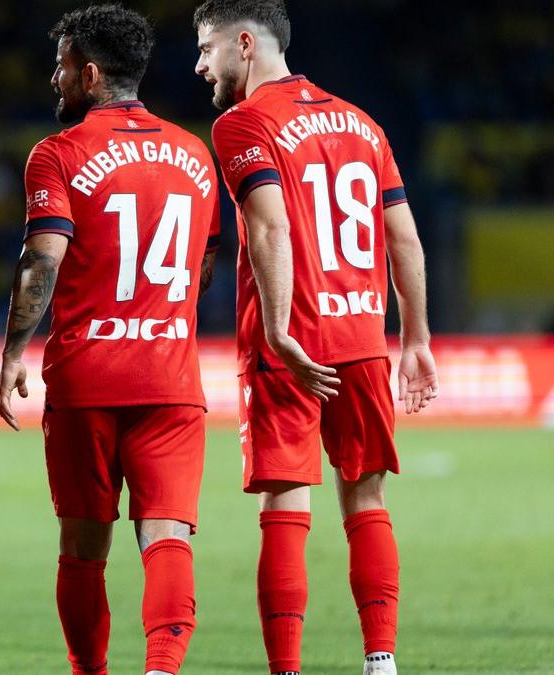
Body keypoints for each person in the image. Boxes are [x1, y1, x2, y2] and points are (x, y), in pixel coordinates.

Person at [193, 1, 439, 674]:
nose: (199, 65)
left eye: (207, 48)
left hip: (290, 345)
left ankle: (288, 669)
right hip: (362, 335)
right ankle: (381, 661)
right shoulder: (362, 121)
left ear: (245, 43)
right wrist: (414, 335)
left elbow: (270, 228)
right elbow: (405, 239)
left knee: (284, 501)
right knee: (366, 496)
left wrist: (278, 328)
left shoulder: (242, 123)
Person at [0, 6, 219, 674]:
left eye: (62, 65)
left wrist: (12, 350)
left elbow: (42, 258)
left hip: (88, 378)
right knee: (168, 535)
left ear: (89, 73)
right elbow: (203, 265)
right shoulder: (194, 153)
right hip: (169, 380)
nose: (54, 78)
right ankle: (161, 669)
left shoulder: (58, 154)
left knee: (83, 547)